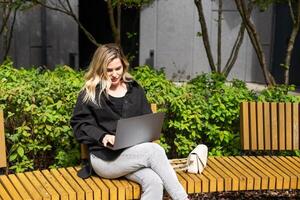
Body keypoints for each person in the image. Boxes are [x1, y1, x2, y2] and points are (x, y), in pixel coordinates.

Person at [71, 43, 188, 200]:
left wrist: (145, 133)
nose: (114, 74)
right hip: (105, 159)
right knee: (155, 151)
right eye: (109, 70)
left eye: (118, 69)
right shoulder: (91, 93)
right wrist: (103, 136)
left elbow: (146, 121)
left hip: (132, 156)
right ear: (100, 69)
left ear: (124, 66)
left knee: (154, 182)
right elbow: (80, 125)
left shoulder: (134, 89)